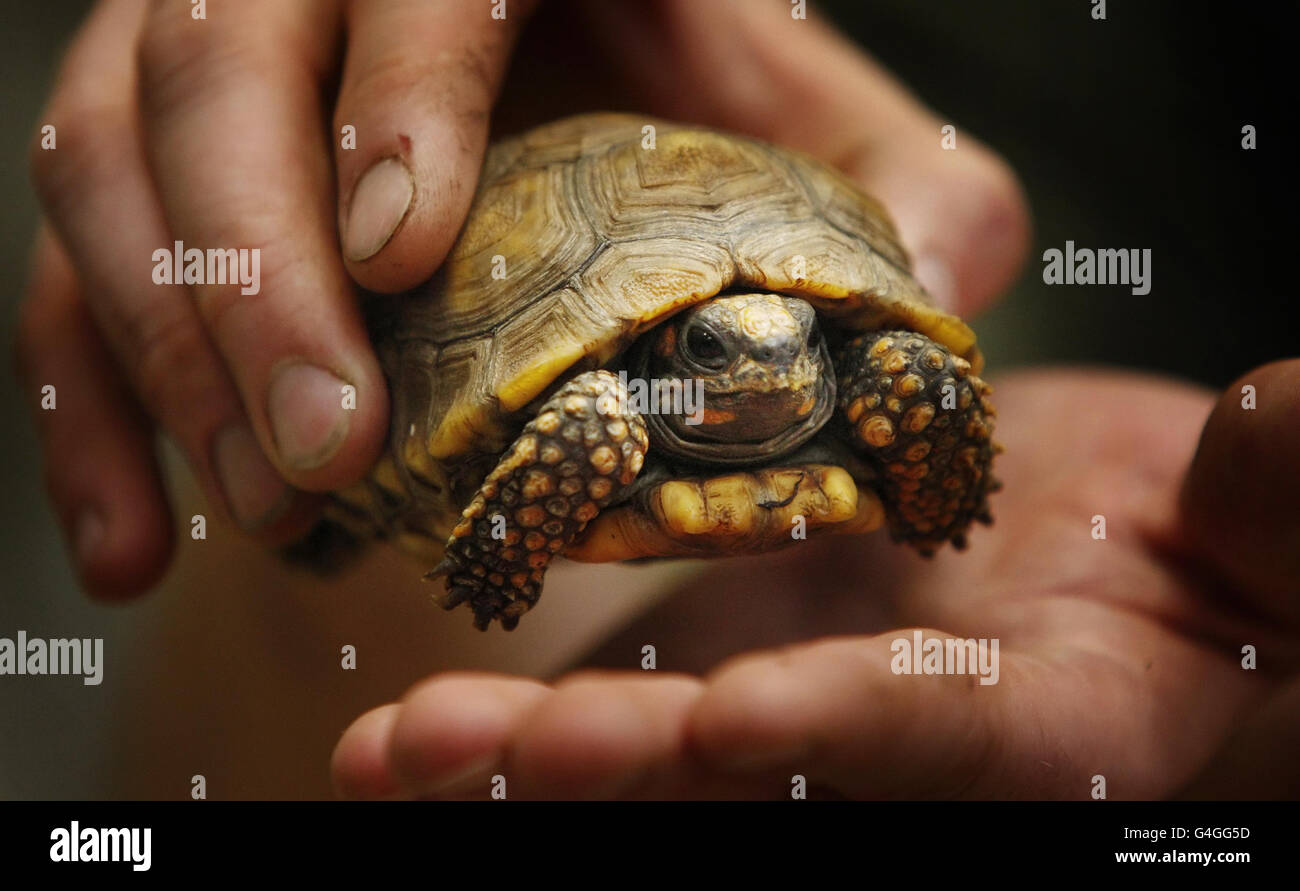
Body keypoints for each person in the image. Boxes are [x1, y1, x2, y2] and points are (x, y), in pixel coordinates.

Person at [17, 0, 1297, 799]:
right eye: (717, 353)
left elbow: (911, 364)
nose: (768, 368)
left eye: (787, 346)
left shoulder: (856, 363)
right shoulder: (609, 408)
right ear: (671, 355)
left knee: (915, 366)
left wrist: (943, 479)